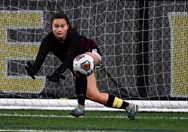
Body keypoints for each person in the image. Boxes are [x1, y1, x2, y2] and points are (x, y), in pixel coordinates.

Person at [25, 12, 138, 120]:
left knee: (79, 63)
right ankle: (129, 106)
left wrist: (59, 71)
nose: (59, 29)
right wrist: (33, 70)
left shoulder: (73, 35)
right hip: (78, 65)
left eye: (62, 26)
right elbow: (40, 58)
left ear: (68, 26)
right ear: (51, 27)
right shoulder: (48, 40)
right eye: (56, 26)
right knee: (94, 95)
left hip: (90, 53)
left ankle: (80, 106)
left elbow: (70, 55)